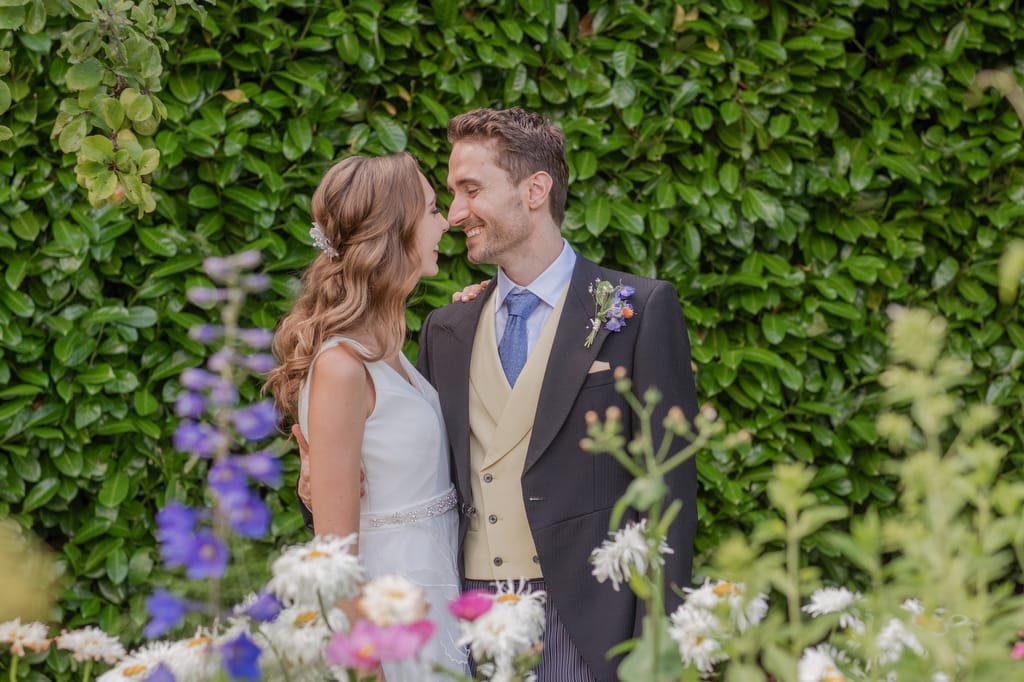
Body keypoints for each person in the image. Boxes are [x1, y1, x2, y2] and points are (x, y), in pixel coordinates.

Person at [300, 108, 698, 682]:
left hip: (595, 624)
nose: (456, 213)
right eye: (447, 198)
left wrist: (660, 647)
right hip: (464, 622)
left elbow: (671, 498)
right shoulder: (448, 328)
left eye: (470, 190)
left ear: (534, 190)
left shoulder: (636, 309)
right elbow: (387, 465)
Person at [265, 152, 468, 680]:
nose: (445, 220)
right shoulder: (341, 366)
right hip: (386, 620)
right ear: (393, 233)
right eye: (429, 210)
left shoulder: (389, 351)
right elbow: (334, 560)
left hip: (433, 594)